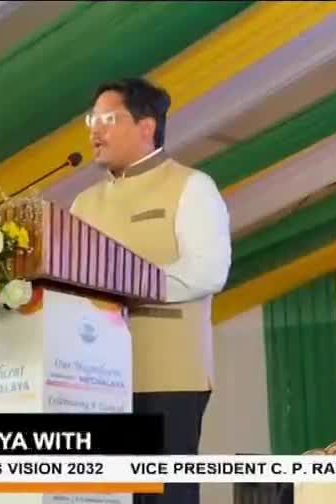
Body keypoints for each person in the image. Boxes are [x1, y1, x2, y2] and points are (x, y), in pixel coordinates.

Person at [70, 77, 232, 504]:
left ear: (147, 127)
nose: (95, 129)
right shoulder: (83, 203)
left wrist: (124, 288)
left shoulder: (191, 186)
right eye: (91, 120)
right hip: (93, 378)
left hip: (168, 376)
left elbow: (208, 272)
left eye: (108, 119)